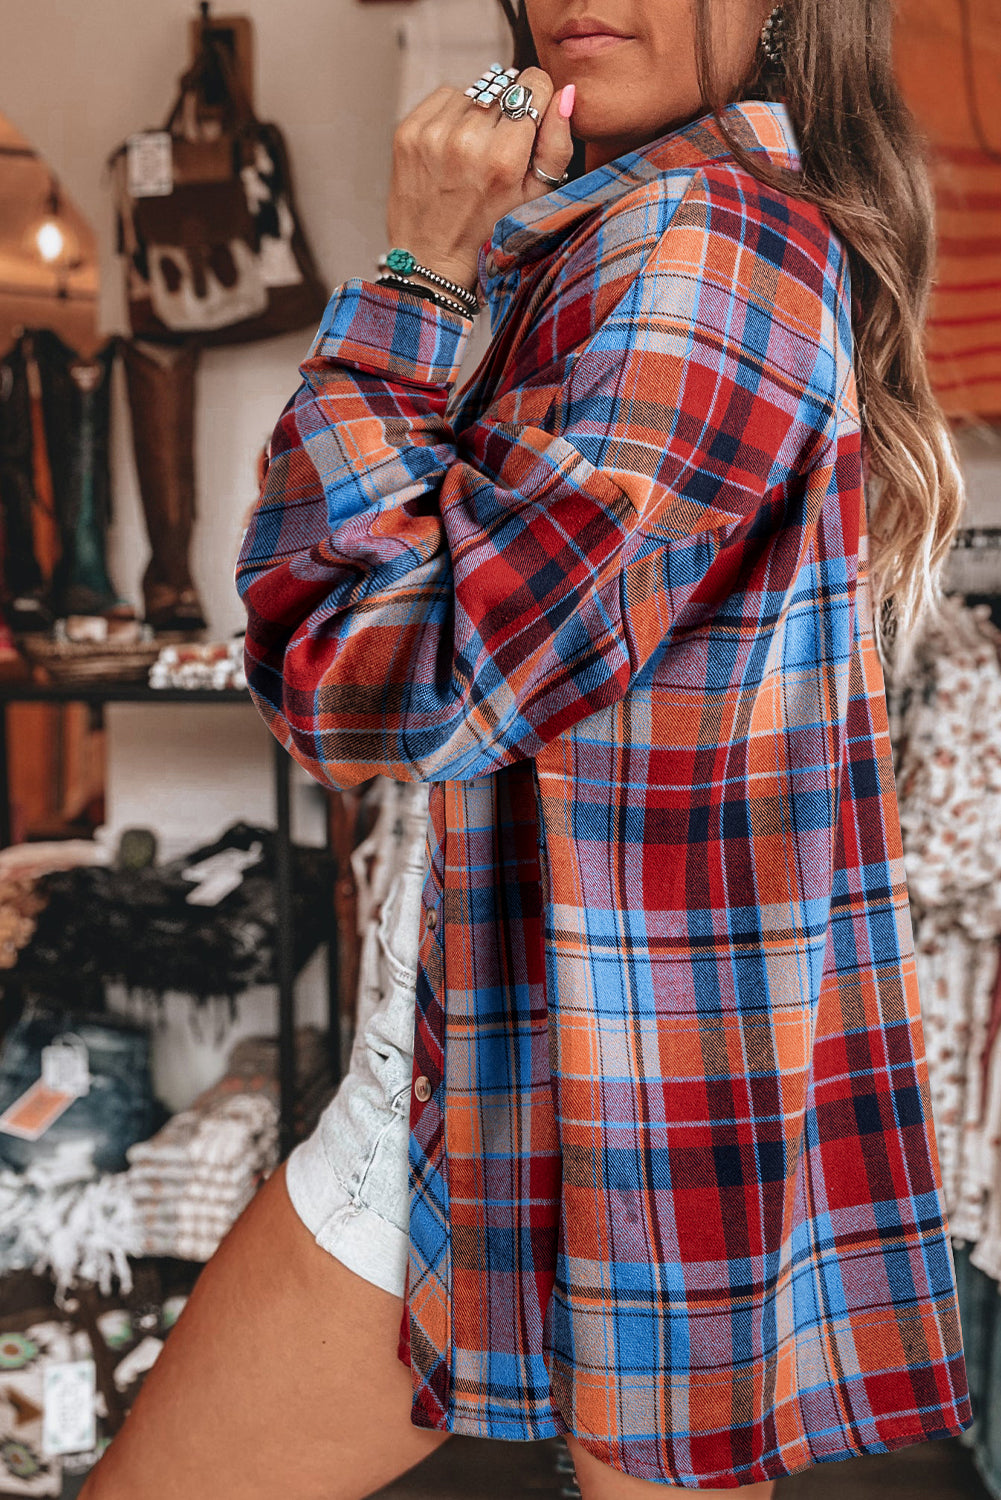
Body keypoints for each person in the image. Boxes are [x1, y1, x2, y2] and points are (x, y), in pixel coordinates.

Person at [81, 1, 974, 1496]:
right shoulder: (627, 234)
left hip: (563, 1104)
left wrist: (413, 272)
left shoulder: (697, 255)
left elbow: (358, 687)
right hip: (556, 1091)